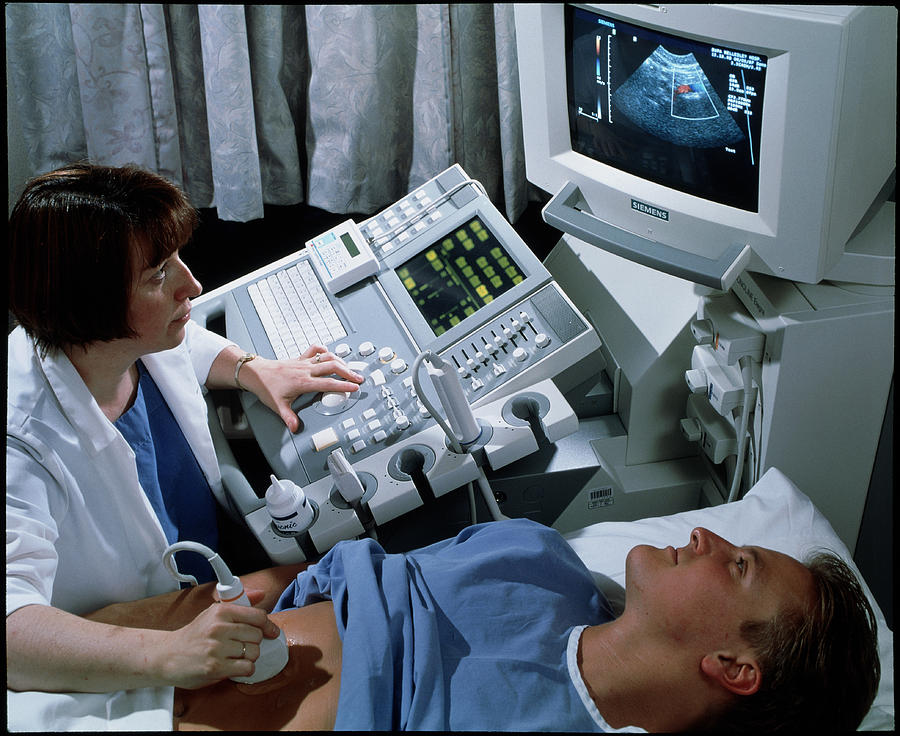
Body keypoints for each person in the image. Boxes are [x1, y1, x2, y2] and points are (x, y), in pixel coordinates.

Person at [6, 163, 365, 697]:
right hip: (136, 644)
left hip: (216, 585)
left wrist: (249, 367)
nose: (190, 284)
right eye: (158, 275)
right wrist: (171, 653)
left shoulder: (128, 345)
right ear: (90, 305)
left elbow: (189, 341)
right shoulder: (22, 439)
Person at [80, 519, 880, 733]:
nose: (706, 537)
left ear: (735, 666)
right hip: (118, 642)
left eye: (738, 565)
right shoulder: (533, 553)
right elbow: (302, 579)